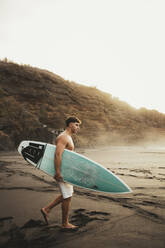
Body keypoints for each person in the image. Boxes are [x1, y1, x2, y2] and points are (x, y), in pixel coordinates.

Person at [41, 116, 81, 229]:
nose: (78, 128)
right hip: (62, 171)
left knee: (67, 194)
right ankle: (65, 223)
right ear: (70, 124)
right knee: (67, 196)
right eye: (76, 125)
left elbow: (67, 156)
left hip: (66, 171)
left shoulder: (68, 137)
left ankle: (47, 209)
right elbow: (57, 154)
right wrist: (58, 172)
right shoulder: (63, 137)